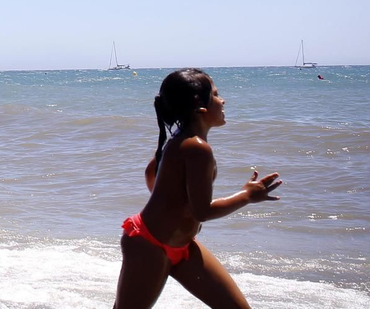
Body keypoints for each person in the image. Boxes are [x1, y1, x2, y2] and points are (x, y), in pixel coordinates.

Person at [113, 69, 283, 309]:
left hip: (183, 245)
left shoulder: (179, 141)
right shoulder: (197, 148)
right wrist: (247, 195)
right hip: (149, 245)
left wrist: (169, 204)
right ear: (200, 107)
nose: (222, 100)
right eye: (215, 94)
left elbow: (151, 173)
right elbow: (202, 211)